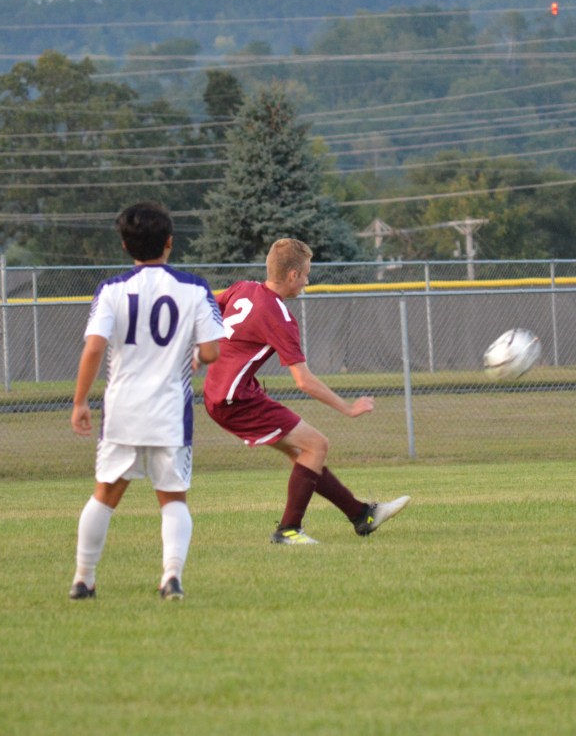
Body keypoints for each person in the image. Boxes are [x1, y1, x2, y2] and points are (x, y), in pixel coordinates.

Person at [203, 237, 409, 544]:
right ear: (292, 276)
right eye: (306, 273)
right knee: (317, 445)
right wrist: (348, 408)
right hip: (236, 399)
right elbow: (304, 381)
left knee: (303, 453)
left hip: (222, 393)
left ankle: (362, 514)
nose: (307, 281)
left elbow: (206, 312)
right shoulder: (279, 316)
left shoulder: (243, 287)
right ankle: (289, 530)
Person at [68, 201, 224, 602]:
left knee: (104, 495)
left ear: (124, 245)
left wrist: (80, 400)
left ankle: (83, 579)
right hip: (170, 412)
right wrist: (194, 354)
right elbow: (211, 351)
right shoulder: (194, 287)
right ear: (170, 243)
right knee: (172, 497)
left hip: (122, 410)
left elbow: (94, 348)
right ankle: (171, 576)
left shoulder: (112, 290)